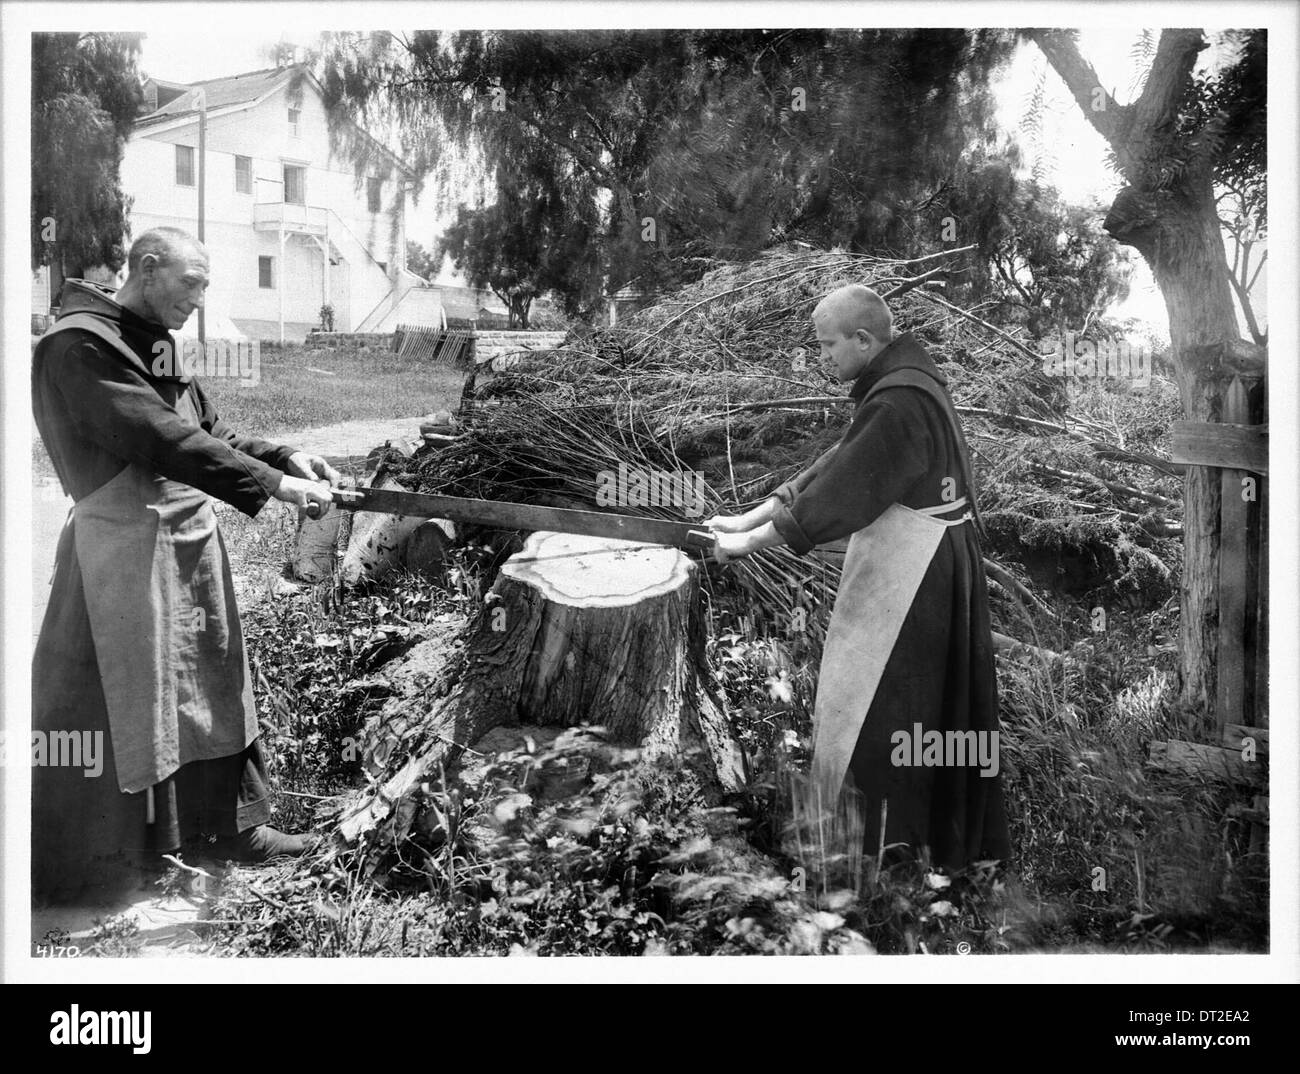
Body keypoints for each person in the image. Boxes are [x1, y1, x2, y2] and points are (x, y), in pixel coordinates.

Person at [32, 226, 337, 904]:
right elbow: (156, 434)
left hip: (187, 544)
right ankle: (101, 865)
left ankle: (230, 831)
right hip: (118, 556)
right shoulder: (78, 345)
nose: (198, 301)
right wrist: (273, 487)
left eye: (204, 288)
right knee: (122, 703)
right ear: (146, 267)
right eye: (189, 284)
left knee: (211, 688)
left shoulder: (155, 344)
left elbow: (206, 429)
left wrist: (284, 458)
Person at [706, 284, 1011, 872]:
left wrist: (748, 544)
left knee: (892, 706)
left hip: (919, 576)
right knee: (915, 708)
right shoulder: (899, 385)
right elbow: (838, 462)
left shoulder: (899, 402)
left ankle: (886, 855)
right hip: (923, 560)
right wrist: (750, 514)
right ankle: (921, 849)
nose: (822, 357)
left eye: (828, 345)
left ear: (863, 339)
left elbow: (844, 490)